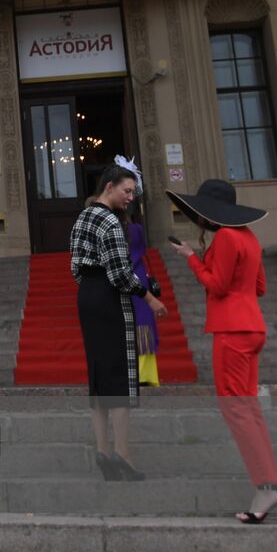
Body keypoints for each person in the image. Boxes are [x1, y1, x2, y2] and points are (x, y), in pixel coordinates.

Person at [167, 180, 277, 525]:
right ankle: (269, 483)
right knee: (248, 410)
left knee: (236, 410)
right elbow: (259, 287)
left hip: (232, 331)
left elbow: (216, 286)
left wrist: (191, 257)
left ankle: (266, 488)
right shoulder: (249, 237)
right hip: (253, 328)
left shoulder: (226, 238)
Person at [69, 164, 168, 482]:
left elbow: (75, 266)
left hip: (88, 295)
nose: (130, 197)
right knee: (123, 376)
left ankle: (102, 450)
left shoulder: (83, 216)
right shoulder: (109, 220)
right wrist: (149, 297)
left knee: (98, 374)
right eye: (127, 190)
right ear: (109, 186)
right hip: (111, 297)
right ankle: (123, 454)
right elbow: (120, 273)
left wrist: (92, 285)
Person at [113, 157, 161, 387]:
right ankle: (145, 374)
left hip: (120, 283)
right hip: (139, 280)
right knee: (143, 325)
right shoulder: (136, 230)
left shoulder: (113, 231)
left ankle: (127, 373)